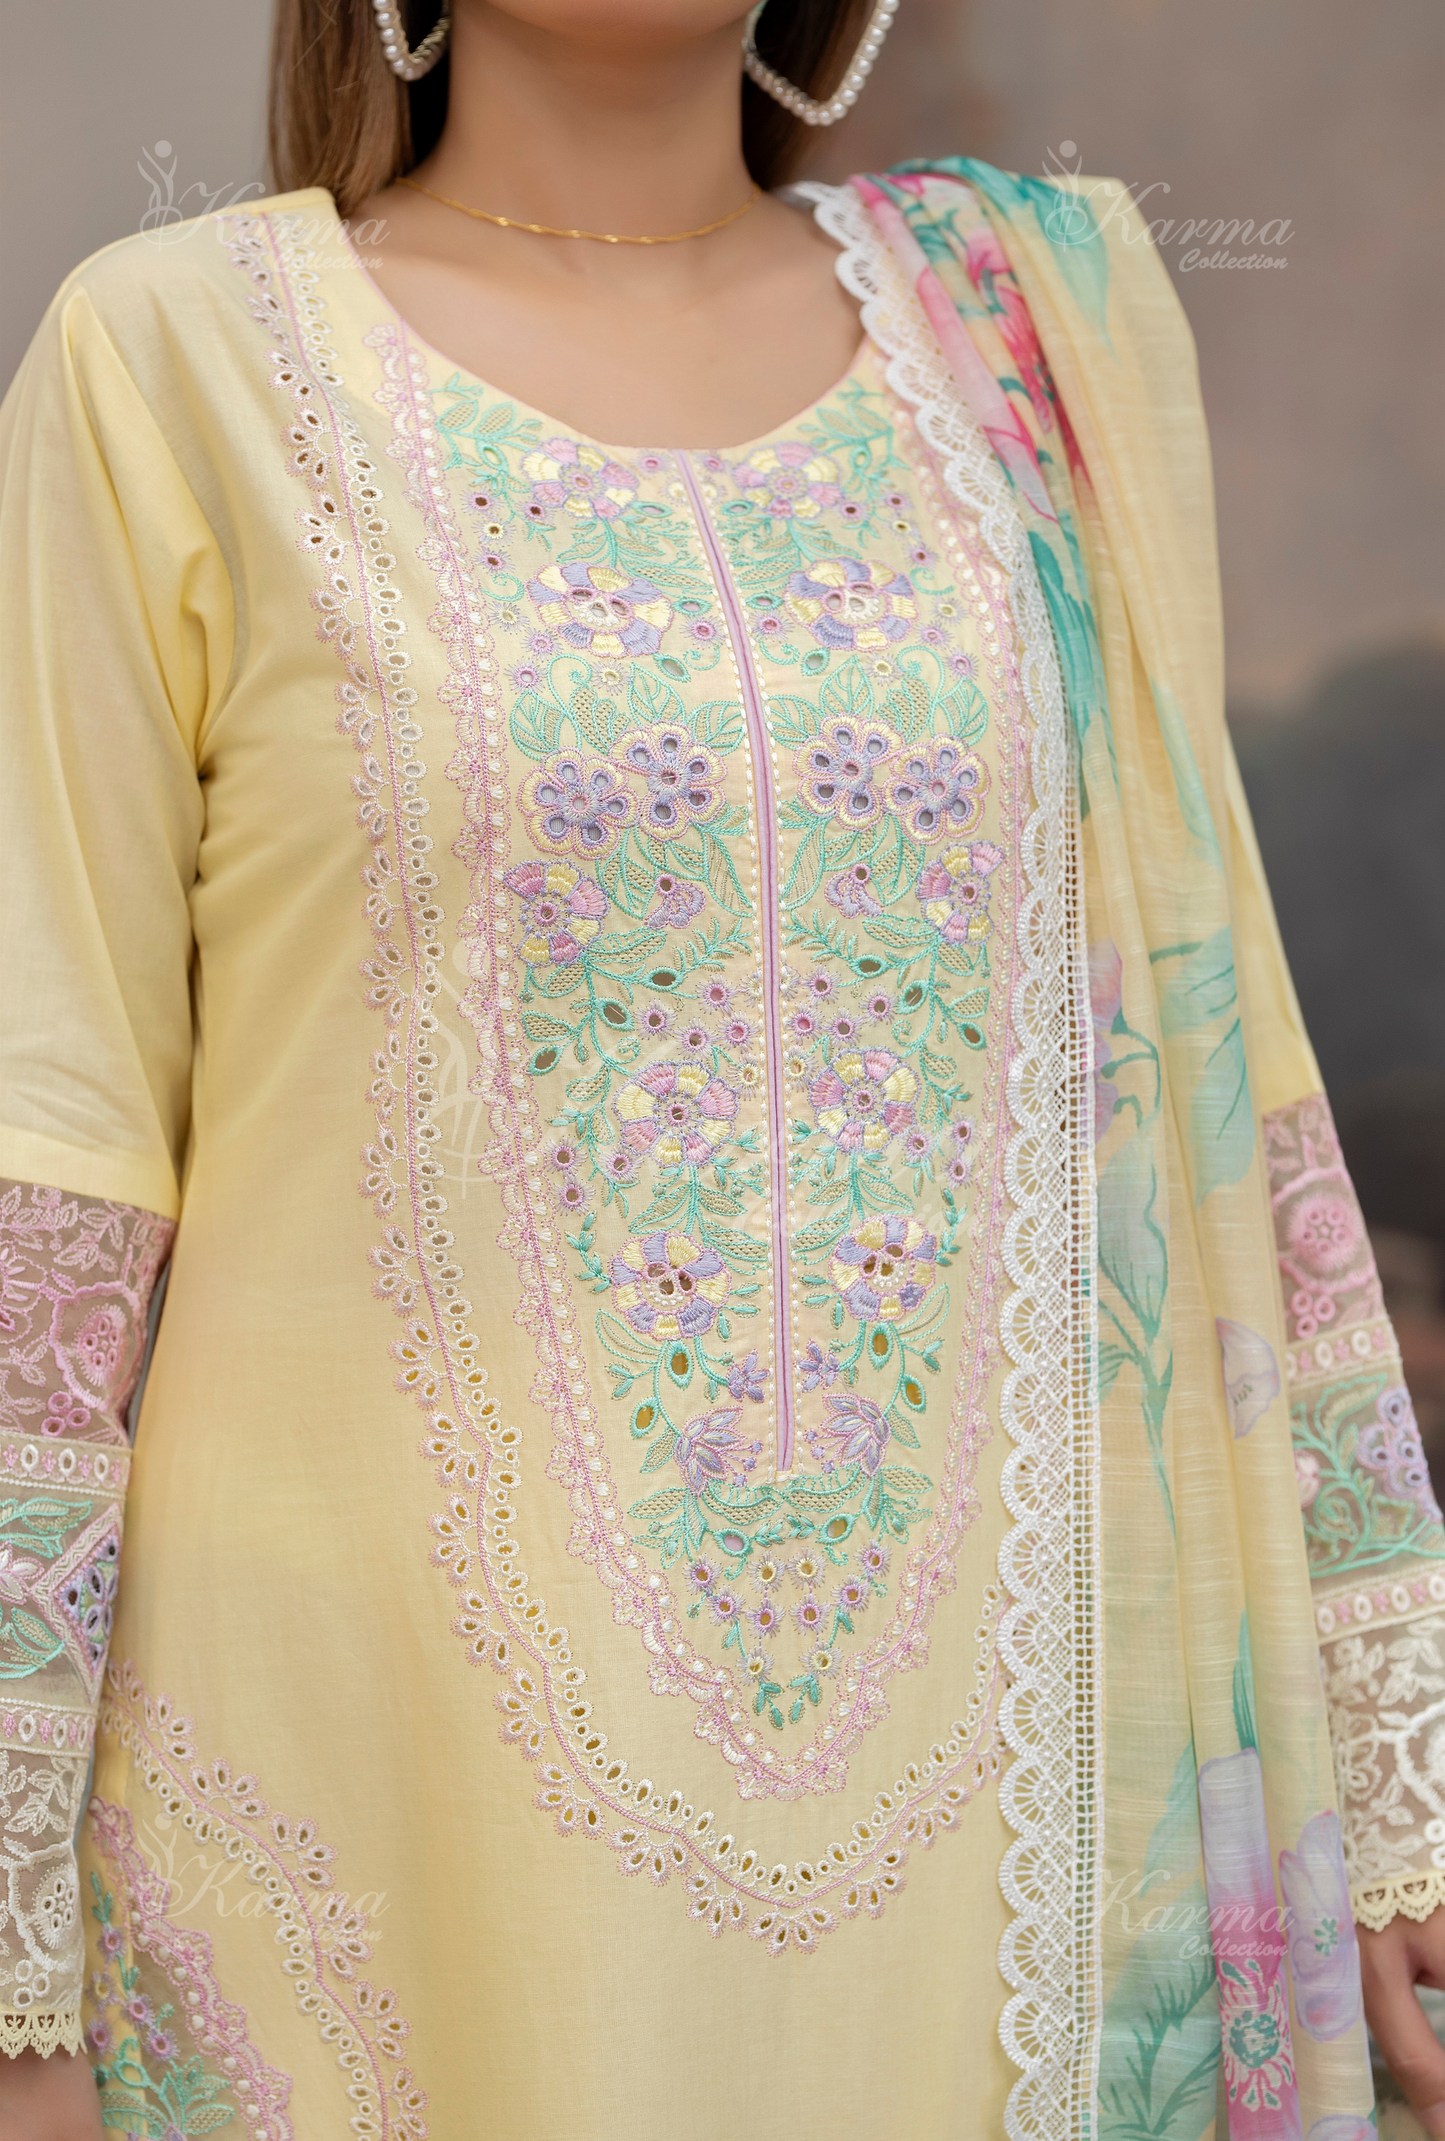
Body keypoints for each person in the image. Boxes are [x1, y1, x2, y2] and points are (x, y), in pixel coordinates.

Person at [1, 3, 1441, 2135]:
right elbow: (51, 1181)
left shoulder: (1034, 334)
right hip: (360, 1810)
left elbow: (1226, 1069)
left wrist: (1392, 1780)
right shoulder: (168, 357)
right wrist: (15, 1972)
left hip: (1003, 1837)